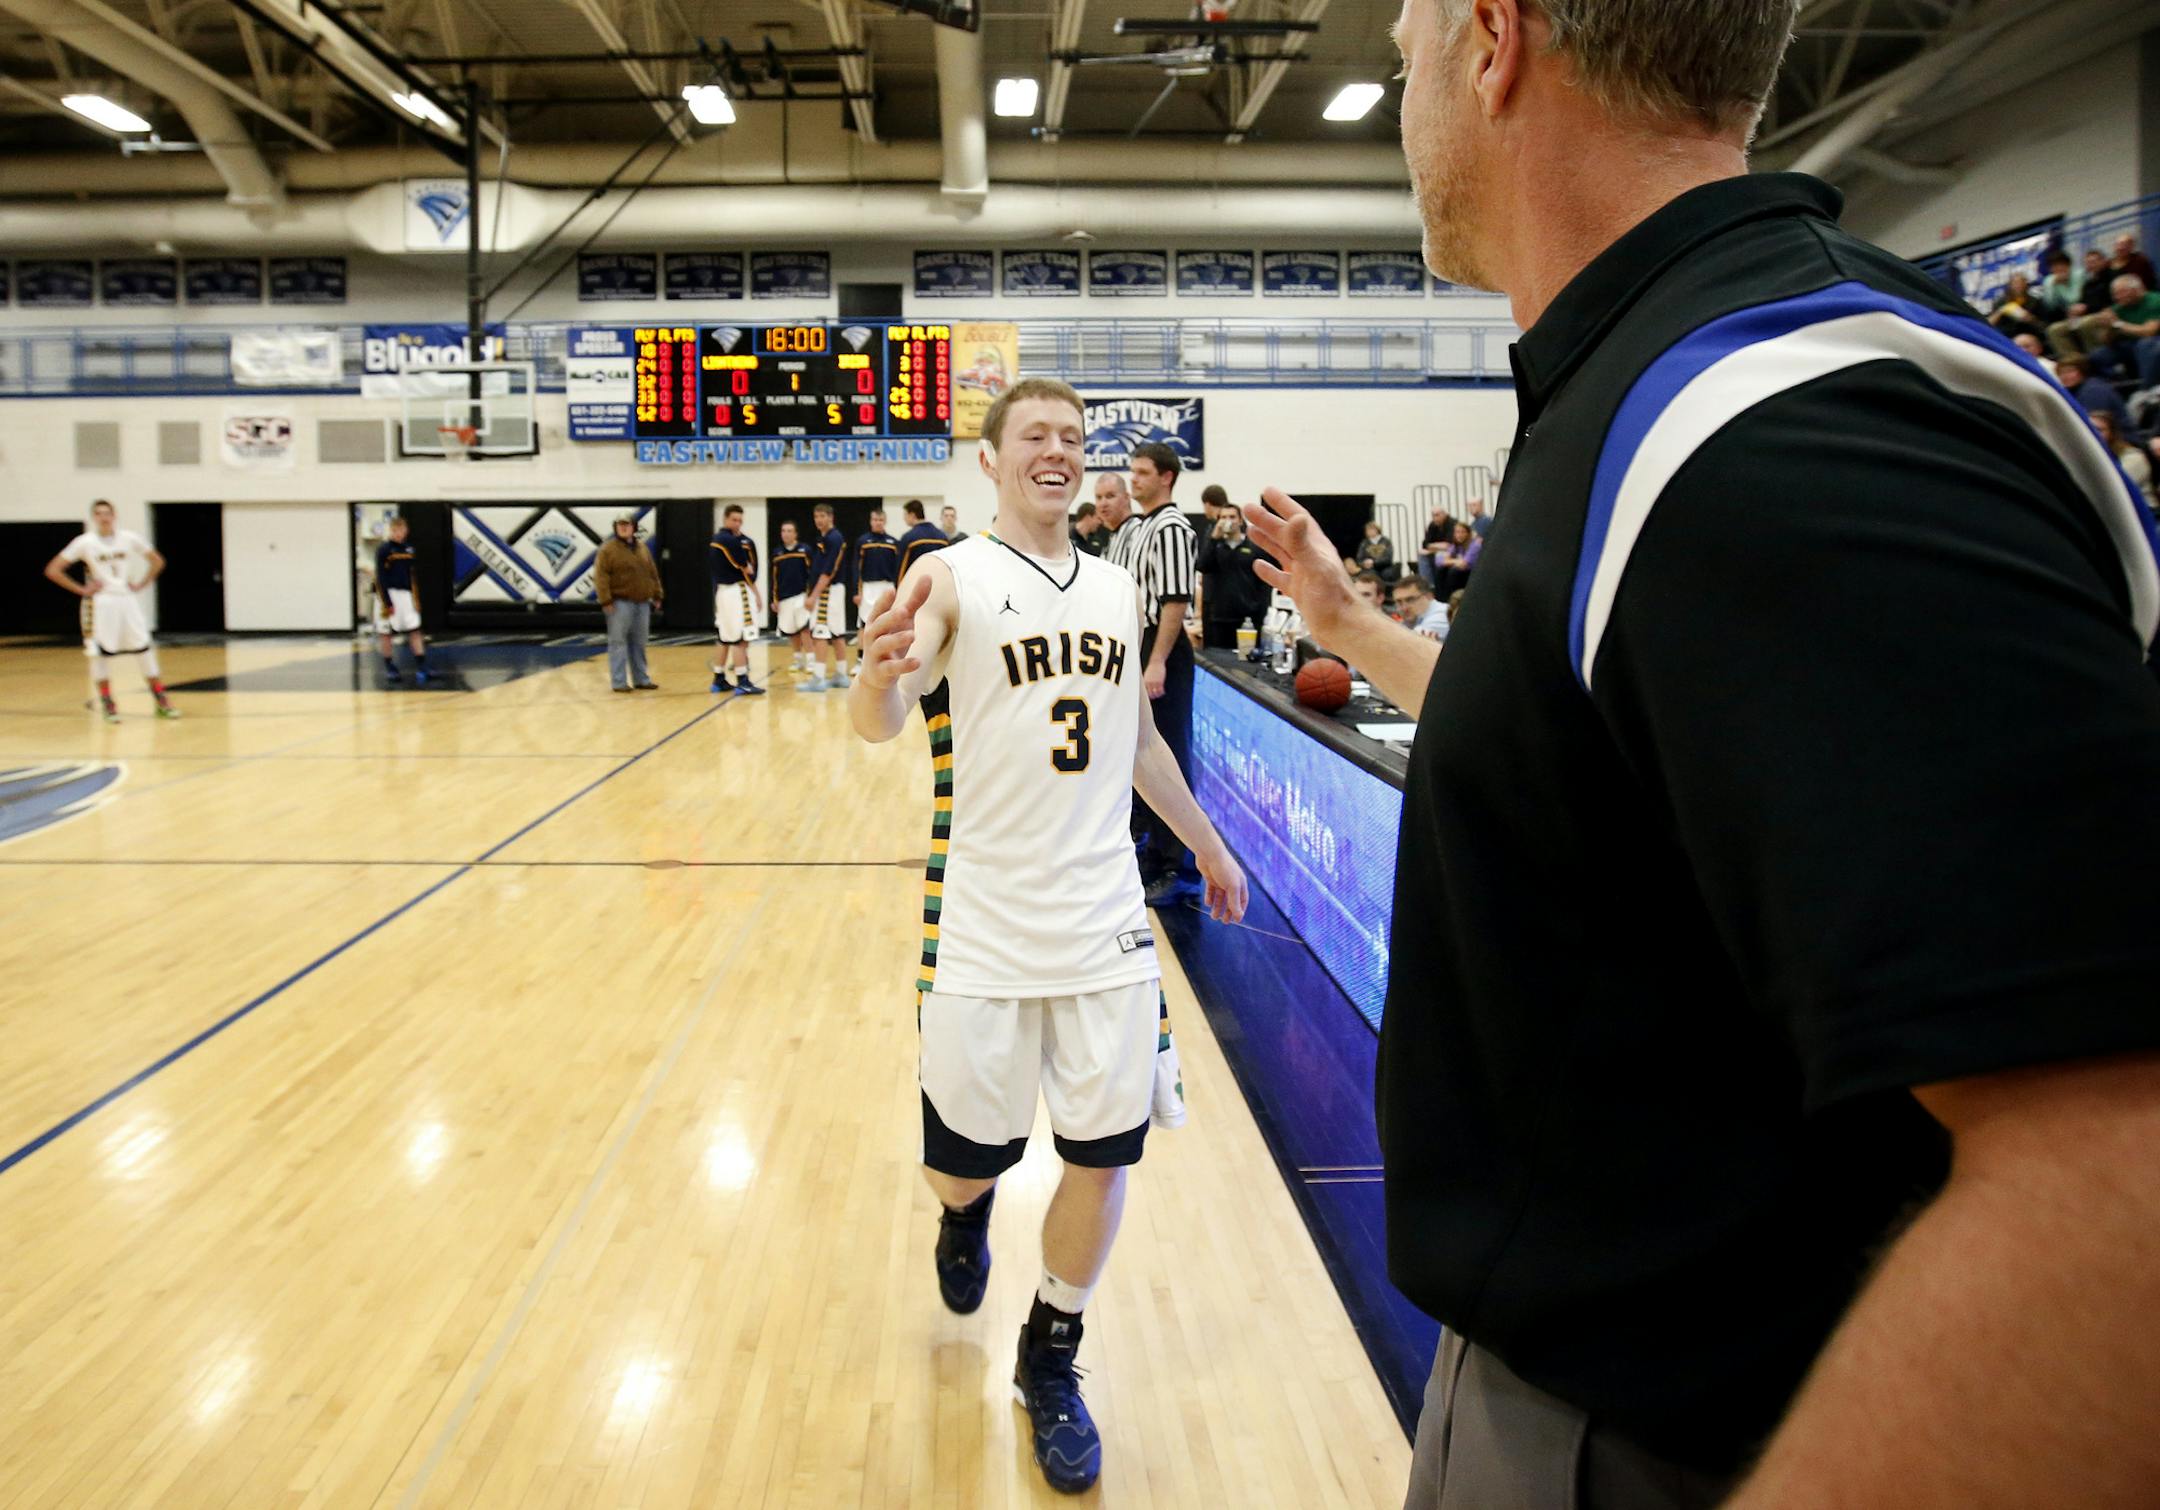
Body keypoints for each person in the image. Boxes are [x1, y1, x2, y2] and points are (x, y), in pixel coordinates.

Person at [1244, 0, 2160, 1505]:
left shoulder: (1777, 427)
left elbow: (2114, 1183)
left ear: (1493, 39)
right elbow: (1602, 744)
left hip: (1679, 1443)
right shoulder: (1667, 375)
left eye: (1405, 32)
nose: (1394, 67)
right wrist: (1354, 619)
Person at [847, 375, 1248, 1497]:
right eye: (1036, 436)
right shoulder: (952, 576)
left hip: (1105, 918)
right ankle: (963, 1219)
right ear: (992, 460)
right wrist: (874, 682)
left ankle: (1051, 1350)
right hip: (980, 916)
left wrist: (1209, 848)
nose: (1058, 452)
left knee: (1105, 1148)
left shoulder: (1119, 589)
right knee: (960, 1163)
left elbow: (1136, 747)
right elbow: (880, 717)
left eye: (1073, 438)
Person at [1123, 441, 1202, 905]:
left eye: (1142, 472)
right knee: (1141, 754)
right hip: (1141, 645)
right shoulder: (1139, 526)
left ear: (1166, 477)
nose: (1134, 478)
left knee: (1169, 756)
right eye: (1132, 470)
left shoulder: (1172, 526)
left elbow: (1174, 600)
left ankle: (1183, 868)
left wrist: (1156, 661)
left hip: (1162, 650)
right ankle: (1155, 854)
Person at [42, 499, 178, 723]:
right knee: (100, 653)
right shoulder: (84, 542)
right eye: (99, 513)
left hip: (126, 599)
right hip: (100, 603)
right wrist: (81, 589)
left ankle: (161, 700)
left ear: (114, 516)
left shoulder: (129, 538)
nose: (104, 517)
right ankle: (108, 703)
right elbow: (53, 570)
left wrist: (142, 583)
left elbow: (157, 561)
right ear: (94, 517)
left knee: (143, 647)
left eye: (107, 513)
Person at [594, 510, 661, 693]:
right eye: (620, 525)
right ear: (615, 528)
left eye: (627, 525)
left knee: (639, 642)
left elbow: (651, 572)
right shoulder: (608, 550)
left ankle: (641, 679)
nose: (623, 528)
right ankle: (619, 682)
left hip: (642, 602)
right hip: (619, 602)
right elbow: (601, 577)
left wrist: (657, 594)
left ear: (634, 528)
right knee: (618, 642)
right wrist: (605, 599)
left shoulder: (642, 548)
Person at [1195, 504, 1270, 650]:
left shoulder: (1254, 548)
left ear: (1240, 521)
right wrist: (1213, 538)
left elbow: (1264, 583)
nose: (1228, 520)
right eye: (1223, 517)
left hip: (1247, 621)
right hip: (1217, 620)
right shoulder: (1214, 546)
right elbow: (1202, 566)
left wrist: (1261, 613)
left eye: (1232, 517)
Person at [708, 504, 765, 696]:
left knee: (724, 637)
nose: (737, 524)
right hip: (736, 592)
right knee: (740, 638)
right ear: (725, 519)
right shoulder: (731, 541)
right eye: (734, 519)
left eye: (740, 520)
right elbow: (747, 571)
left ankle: (718, 678)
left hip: (722, 592)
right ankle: (743, 680)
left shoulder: (715, 540)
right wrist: (757, 594)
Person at [370, 514, 430, 685]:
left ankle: (422, 665)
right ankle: (390, 666)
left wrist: (415, 599)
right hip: (388, 593)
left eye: (401, 530)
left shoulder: (409, 549)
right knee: (386, 632)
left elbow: (412, 577)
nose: (398, 534)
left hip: (406, 595)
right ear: (391, 531)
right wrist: (387, 602)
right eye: (395, 530)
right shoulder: (384, 550)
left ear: (406, 531)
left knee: (414, 629)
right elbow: (380, 577)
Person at [804, 503, 851, 692]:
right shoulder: (824, 538)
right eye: (816, 517)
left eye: (822, 516)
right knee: (836, 633)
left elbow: (828, 571)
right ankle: (841, 674)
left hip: (828, 591)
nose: (818, 520)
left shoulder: (834, 538)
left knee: (820, 633)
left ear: (831, 517)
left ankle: (818, 677)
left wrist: (813, 596)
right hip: (833, 591)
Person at [853, 507, 901, 675]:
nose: (877, 523)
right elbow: (856, 568)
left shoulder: (893, 543)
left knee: (888, 623)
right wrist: (856, 592)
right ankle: (861, 660)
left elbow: (898, 570)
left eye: (880, 520)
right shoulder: (863, 541)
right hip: (868, 587)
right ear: (870, 521)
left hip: (887, 587)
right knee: (865, 624)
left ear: (885, 521)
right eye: (874, 520)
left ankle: (888, 657)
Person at [769, 520, 814, 678]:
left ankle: (811, 660)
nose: (786, 534)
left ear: (795, 534)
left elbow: (811, 574)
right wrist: (774, 599)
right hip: (784, 598)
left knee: (805, 629)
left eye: (789, 531)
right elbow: (773, 578)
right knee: (792, 631)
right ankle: (798, 659)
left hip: (801, 596)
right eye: (783, 531)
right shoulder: (777, 553)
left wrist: (810, 596)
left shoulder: (804, 550)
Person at [2102, 274, 2160, 391]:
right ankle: (2114, 388)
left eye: (2122, 292)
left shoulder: (2155, 300)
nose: (2117, 297)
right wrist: (2108, 327)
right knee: (2097, 356)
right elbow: (2106, 341)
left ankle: (2146, 389)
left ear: (2137, 290)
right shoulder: (2117, 308)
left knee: (2145, 345)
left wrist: (2118, 324)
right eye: (2115, 294)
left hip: (2154, 341)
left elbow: (2149, 332)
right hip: (2130, 344)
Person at [2092, 410, 2157, 509]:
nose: (2093, 433)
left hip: (2145, 513)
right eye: (2089, 429)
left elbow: (2114, 488)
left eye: (2099, 430)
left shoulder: (2134, 457)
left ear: (2112, 433)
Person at [2058, 354, 2131, 436]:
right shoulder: (2074, 391)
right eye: (2061, 373)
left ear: (2083, 371)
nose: (2065, 376)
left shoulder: (2093, 390)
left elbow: (2096, 424)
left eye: (2070, 371)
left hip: (2120, 439)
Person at [1984, 271, 2049, 344]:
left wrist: (2031, 319)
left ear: (2026, 285)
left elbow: (2044, 326)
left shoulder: (2035, 302)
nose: (2018, 286)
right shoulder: (2001, 302)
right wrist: (2001, 311)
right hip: (2007, 335)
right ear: (2010, 285)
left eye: (2021, 283)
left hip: (2028, 333)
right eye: (2015, 283)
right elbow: (1989, 323)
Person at [1093, 472, 1136, 570]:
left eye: (1110, 496)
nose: (1103, 503)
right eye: (1099, 497)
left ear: (1126, 497)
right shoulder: (1112, 536)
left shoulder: (1137, 533)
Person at [897, 499, 949, 578]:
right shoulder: (942, 537)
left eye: (905, 514)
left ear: (912, 515)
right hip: (939, 582)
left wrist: (899, 587)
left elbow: (901, 568)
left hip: (916, 584)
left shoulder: (909, 538)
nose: (904, 518)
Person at [1390, 572, 1449, 640]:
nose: (1404, 608)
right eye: (1399, 602)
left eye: (1410, 600)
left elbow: (1406, 642)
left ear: (1429, 596)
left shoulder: (1441, 615)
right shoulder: (1411, 620)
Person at [1431, 518, 1481, 594]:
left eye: (1462, 532)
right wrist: (1455, 561)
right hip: (1459, 570)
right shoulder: (1455, 546)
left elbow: (1464, 564)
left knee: (1454, 571)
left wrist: (1450, 561)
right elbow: (1439, 561)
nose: (1459, 535)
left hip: (1472, 574)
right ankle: (1439, 597)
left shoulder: (1475, 546)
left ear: (1468, 533)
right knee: (1441, 570)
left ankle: (1451, 596)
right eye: (1457, 532)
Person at [1417, 505, 1452, 587]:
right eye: (1433, 515)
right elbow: (1425, 544)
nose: (1435, 518)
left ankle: (1432, 586)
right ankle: (1428, 585)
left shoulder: (1452, 523)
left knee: (1437, 556)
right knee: (1422, 554)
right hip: (1436, 551)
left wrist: (1433, 546)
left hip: (1450, 552)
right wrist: (1437, 546)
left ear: (1444, 514)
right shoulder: (1432, 525)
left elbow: (1450, 544)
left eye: (1437, 515)